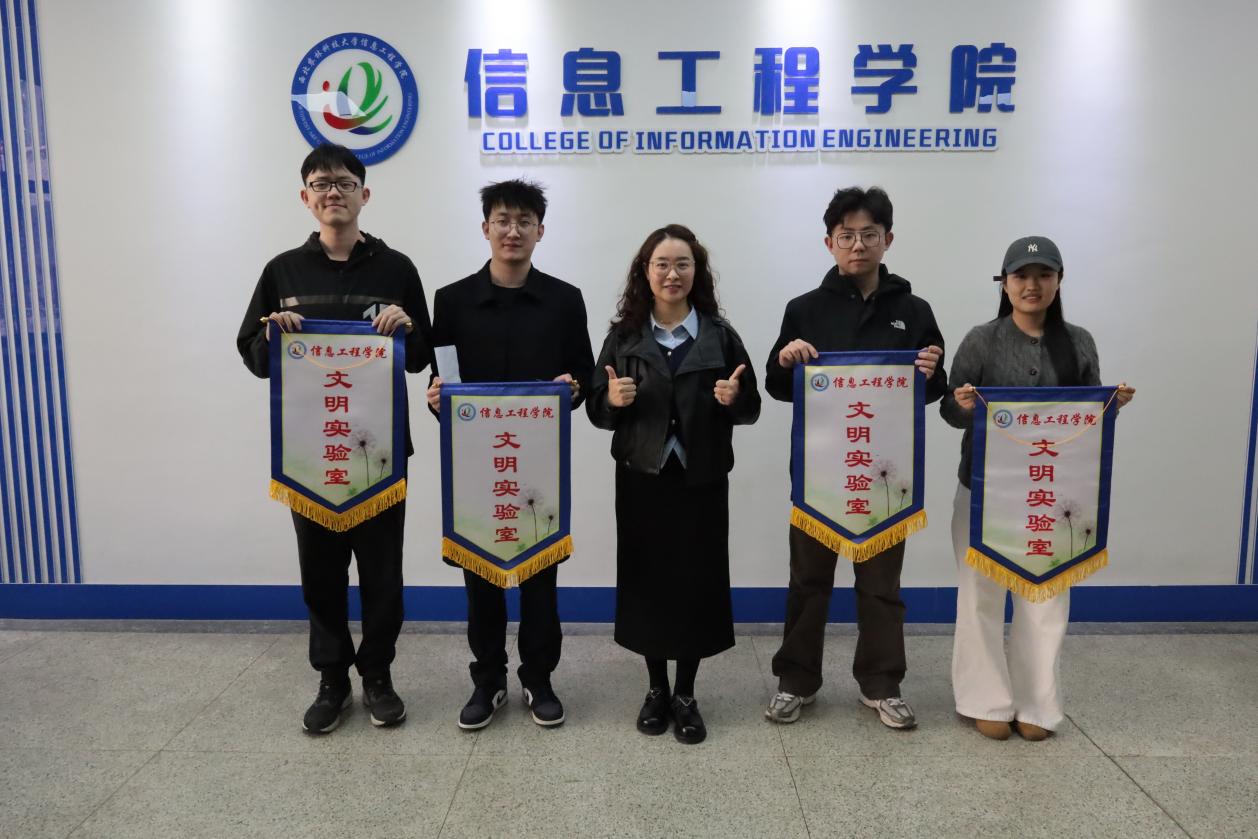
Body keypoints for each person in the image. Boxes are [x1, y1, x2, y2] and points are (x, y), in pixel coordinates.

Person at [237, 143, 433, 734]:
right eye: (321, 184)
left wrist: (406, 327)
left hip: (380, 456)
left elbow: (422, 356)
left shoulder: (396, 269)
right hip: (310, 456)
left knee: (382, 575)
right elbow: (254, 355)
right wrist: (272, 335)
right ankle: (332, 680)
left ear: (364, 194)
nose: (333, 193)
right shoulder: (282, 272)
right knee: (320, 575)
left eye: (345, 183)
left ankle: (378, 675)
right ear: (305, 197)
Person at [763, 186, 946, 730]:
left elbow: (934, 389)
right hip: (820, 476)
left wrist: (932, 371)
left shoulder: (914, 311)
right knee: (808, 583)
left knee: (882, 587)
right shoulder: (804, 309)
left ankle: (882, 683)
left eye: (869, 234)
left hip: (885, 476)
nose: (858, 245)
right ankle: (796, 681)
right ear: (829, 243)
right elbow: (776, 386)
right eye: (846, 236)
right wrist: (786, 359)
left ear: (888, 239)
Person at [941, 235, 1135, 741]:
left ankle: (1036, 704)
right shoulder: (981, 340)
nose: (1032, 285)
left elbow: (1086, 421)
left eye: (1043, 275)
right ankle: (984, 699)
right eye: (1021, 276)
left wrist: (1111, 406)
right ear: (1004, 284)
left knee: (1046, 596)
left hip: (1054, 494)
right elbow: (948, 411)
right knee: (979, 596)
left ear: (1059, 280)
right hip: (983, 492)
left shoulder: (1080, 342)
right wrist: (962, 404)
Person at [427, 179, 594, 730]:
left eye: (524, 221)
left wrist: (573, 389)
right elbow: (444, 383)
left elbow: (584, 375)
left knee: (540, 576)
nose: (513, 231)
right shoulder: (451, 301)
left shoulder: (565, 299)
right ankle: (488, 681)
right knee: (480, 576)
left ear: (540, 231)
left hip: (539, 463)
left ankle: (538, 679)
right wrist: (436, 399)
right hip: (476, 464)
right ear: (485, 228)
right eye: (502, 220)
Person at [587, 224, 760, 745]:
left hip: (700, 479)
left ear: (696, 272)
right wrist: (611, 401)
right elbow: (595, 408)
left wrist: (735, 400)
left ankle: (686, 693)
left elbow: (751, 406)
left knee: (695, 584)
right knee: (648, 584)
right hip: (642, 478)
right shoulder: (624, 337)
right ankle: (655, 688)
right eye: (661, 264)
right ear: (645, 272)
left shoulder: (719, 334)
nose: (672, 274)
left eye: (683, 264)